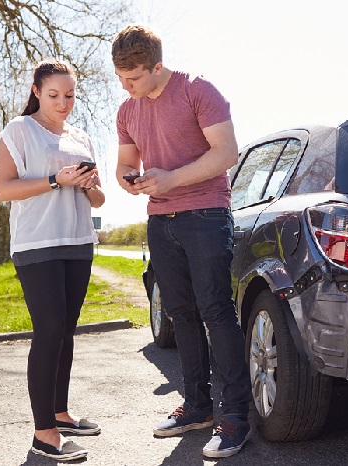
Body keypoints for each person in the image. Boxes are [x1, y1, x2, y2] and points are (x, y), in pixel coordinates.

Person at [112, 25, 253, 458]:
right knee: (180, 313)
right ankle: (196, 407)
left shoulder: (198, 91)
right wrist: (129, 182)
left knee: (214, 309)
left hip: (206, 214)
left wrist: (171, 178)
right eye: (120, 79)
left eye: (133, 78)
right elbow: (124, 164)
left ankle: (235, 417)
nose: (126, 87)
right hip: (160, 220)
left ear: (157, 66)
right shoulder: (127, 110)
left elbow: (226, 153)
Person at [0, 58, 105, 461]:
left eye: (70, 95)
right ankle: (44, 434)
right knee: (50, 328)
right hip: (36, 244)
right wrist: (58, 179)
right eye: (55, 95)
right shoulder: (19, 130)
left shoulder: (81, 137)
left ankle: (60, 414)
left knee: (66, 330)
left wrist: (88, 185)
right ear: (37, 91)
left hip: (78, 241)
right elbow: (3, 189)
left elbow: (99, 200)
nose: (63, 103)